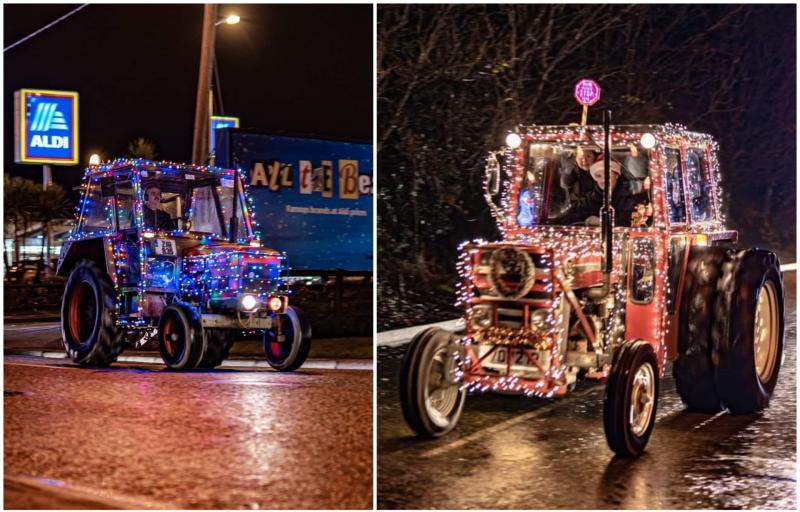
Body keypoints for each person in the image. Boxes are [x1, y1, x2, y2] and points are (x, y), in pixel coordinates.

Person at [548, 156, 650, 227]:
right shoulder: (589, 200)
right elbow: (568, 218)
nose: (603, 180)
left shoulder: (632, 198)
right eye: (598, 176)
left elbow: (638, 223)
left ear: (617, 175)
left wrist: (604, 223)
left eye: (607, 175)